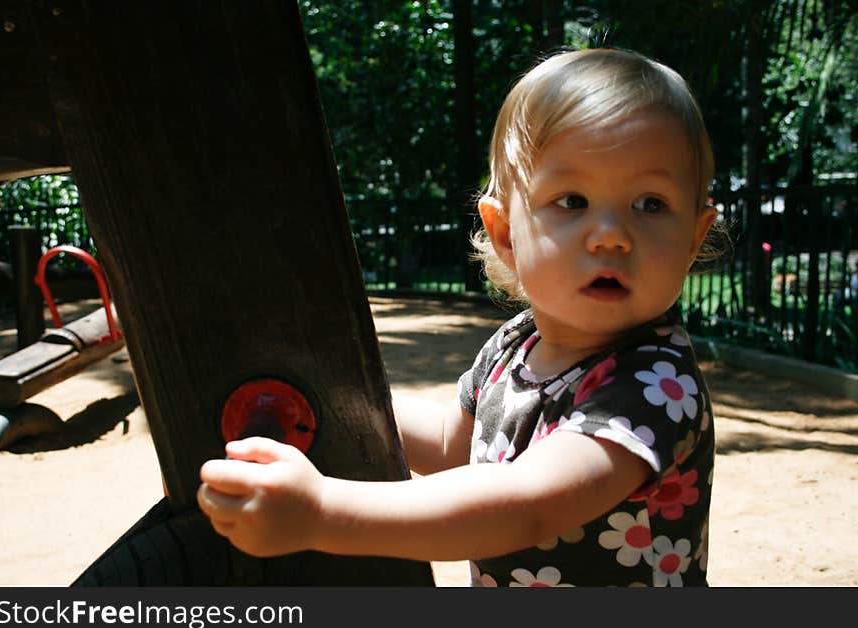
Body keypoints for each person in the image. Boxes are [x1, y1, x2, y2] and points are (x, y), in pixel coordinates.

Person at [197, 48, 719, 587]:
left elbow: (529, 505)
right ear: (504, 233)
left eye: (651, 204)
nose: (611, 234)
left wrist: (324, 512)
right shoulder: (514, 346)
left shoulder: (653, 385)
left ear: (694, 238)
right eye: (572, 200)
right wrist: (338, 398)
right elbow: (453, 447)